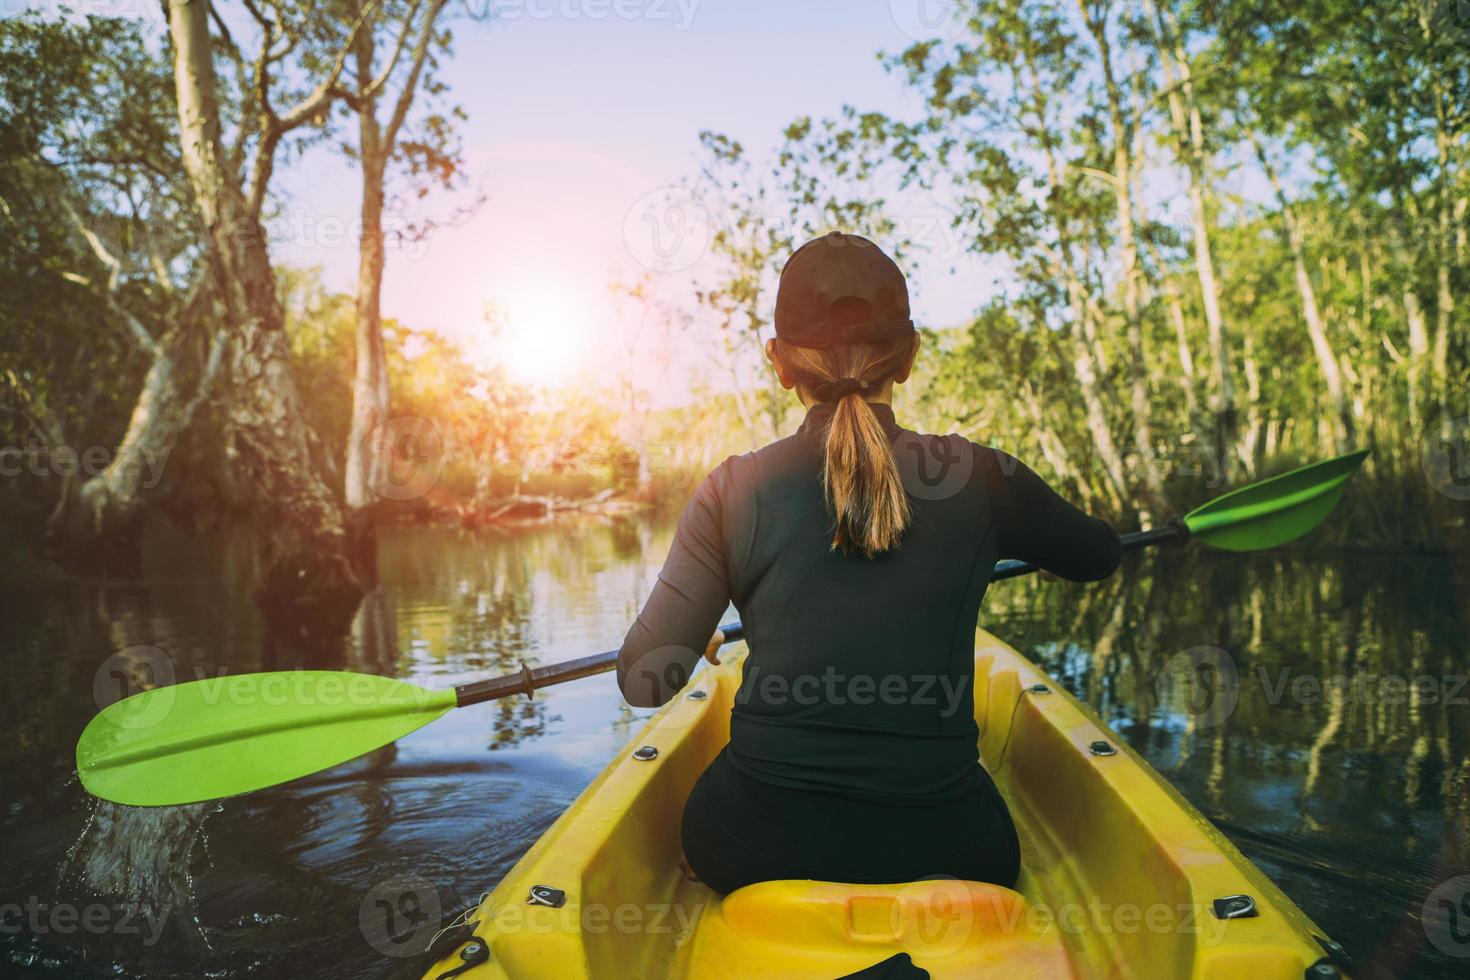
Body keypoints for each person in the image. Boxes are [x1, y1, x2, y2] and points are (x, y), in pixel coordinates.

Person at [616, 232, 1122, 895]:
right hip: (952, 851)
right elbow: (1099, 555)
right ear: (908, 356)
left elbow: (643, 682)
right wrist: (1042, 546)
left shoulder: (732, 489)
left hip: (747, 847)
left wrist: (689, 632)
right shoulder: (981, 477)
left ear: (779, 363)